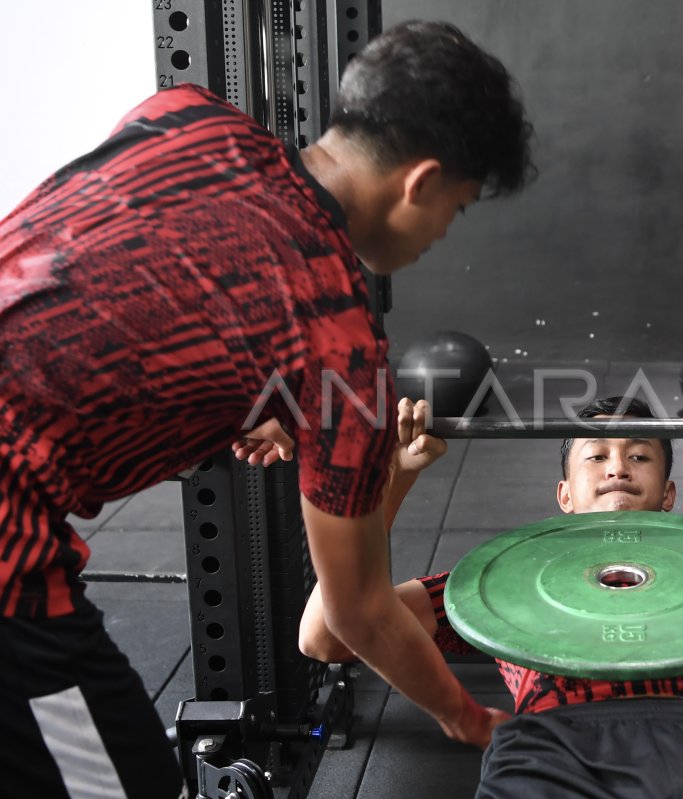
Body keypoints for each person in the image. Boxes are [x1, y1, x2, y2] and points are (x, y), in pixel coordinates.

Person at [0, 20, 533, 798]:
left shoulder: (188, 114)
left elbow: (128, 266)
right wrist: (467, 718)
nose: (442, 233)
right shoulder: (340, 348)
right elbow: (357, 614)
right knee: (114, 784)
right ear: (420, 182)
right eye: (454, 208)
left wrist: (242, 386)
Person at [288, 395, 683, 796]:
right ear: (564, 495)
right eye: (597, 455)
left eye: (640, 455)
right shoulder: (503, 579)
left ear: (667, 496)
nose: (618, 466)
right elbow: (324, 636)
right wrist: (393, 478)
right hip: (554, 747)